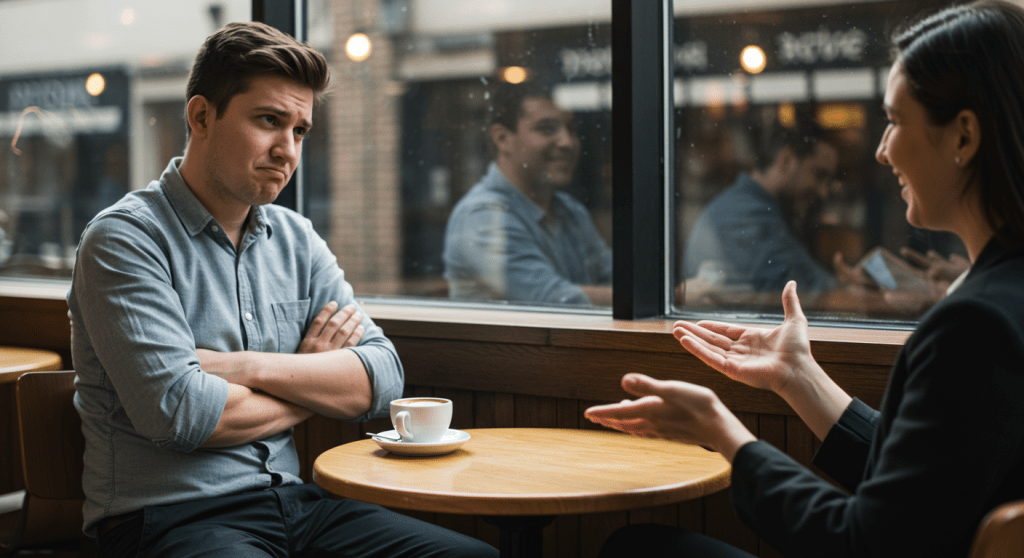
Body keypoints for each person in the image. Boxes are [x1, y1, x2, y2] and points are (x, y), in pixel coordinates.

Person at [586, 1, 1024, 557]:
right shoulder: (1001, 296)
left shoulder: (976, 324)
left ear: (963, 137)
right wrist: (798, 376)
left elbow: (864, 542)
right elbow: (922, 491)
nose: (881, 150)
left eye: (894, 121)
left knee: (639, 549)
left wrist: (725, 434)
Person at [67, 22, 496, 558]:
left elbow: (383, 377)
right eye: (269, 121)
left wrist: (245, 368)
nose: (287, 150)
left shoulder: (296, 238)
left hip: (297, 505)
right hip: (169, 518)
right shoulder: (125, 239)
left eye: (300, 131)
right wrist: (311, 381)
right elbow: (181, 414)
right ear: (201, 116)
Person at [442, 82, 612, 307]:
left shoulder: (570, 209)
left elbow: (613, 276)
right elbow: (554, 301)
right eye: (547, 129)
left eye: (572, 129)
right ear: (502, 138)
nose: (567, 142)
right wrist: (652, 296)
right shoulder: (482, 216)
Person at [683, 120, 840, 297]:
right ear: (786, 161)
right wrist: (841, 285)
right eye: (819, 175)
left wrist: (840, 280)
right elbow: (803, 288)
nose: (823, 193)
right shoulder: (745, 216)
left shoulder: (755, 209)